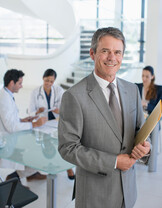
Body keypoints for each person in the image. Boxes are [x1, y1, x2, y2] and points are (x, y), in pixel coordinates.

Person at [58, 27, 151, 208]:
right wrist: (114, 162)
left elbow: (141, 131)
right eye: (105, 51)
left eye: (117, 52)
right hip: (95, 196)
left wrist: (146, 148)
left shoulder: (132, 90)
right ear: (92, 54)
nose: (112, 58)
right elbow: (67, 148)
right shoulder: (74, 95)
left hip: (128, 192)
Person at [0, 69, 47, 183]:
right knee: (37, 150)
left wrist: (23, 120)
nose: (21, 86)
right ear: (12, 83)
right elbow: (10, 127)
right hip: (6, 140)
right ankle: (15, 177)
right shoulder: (4, 98)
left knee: (35, 148)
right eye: (19, 83)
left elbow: (9, 119)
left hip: (9, 135)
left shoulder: (6, 94)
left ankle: (26, 175)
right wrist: (34, 124)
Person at [29, 68, 75, 180]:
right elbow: (30, 111)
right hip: (42, 124)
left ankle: (68, 168)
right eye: (47, 80)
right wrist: (37, 111)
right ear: (43, 78)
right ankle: (47, 168)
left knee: (61, 145)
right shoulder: (35, 92)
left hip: (55, 122)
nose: (49, 83)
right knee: (45, 146)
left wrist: (59, 111)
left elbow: (65, 108)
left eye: (51, 81)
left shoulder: (59, 90)